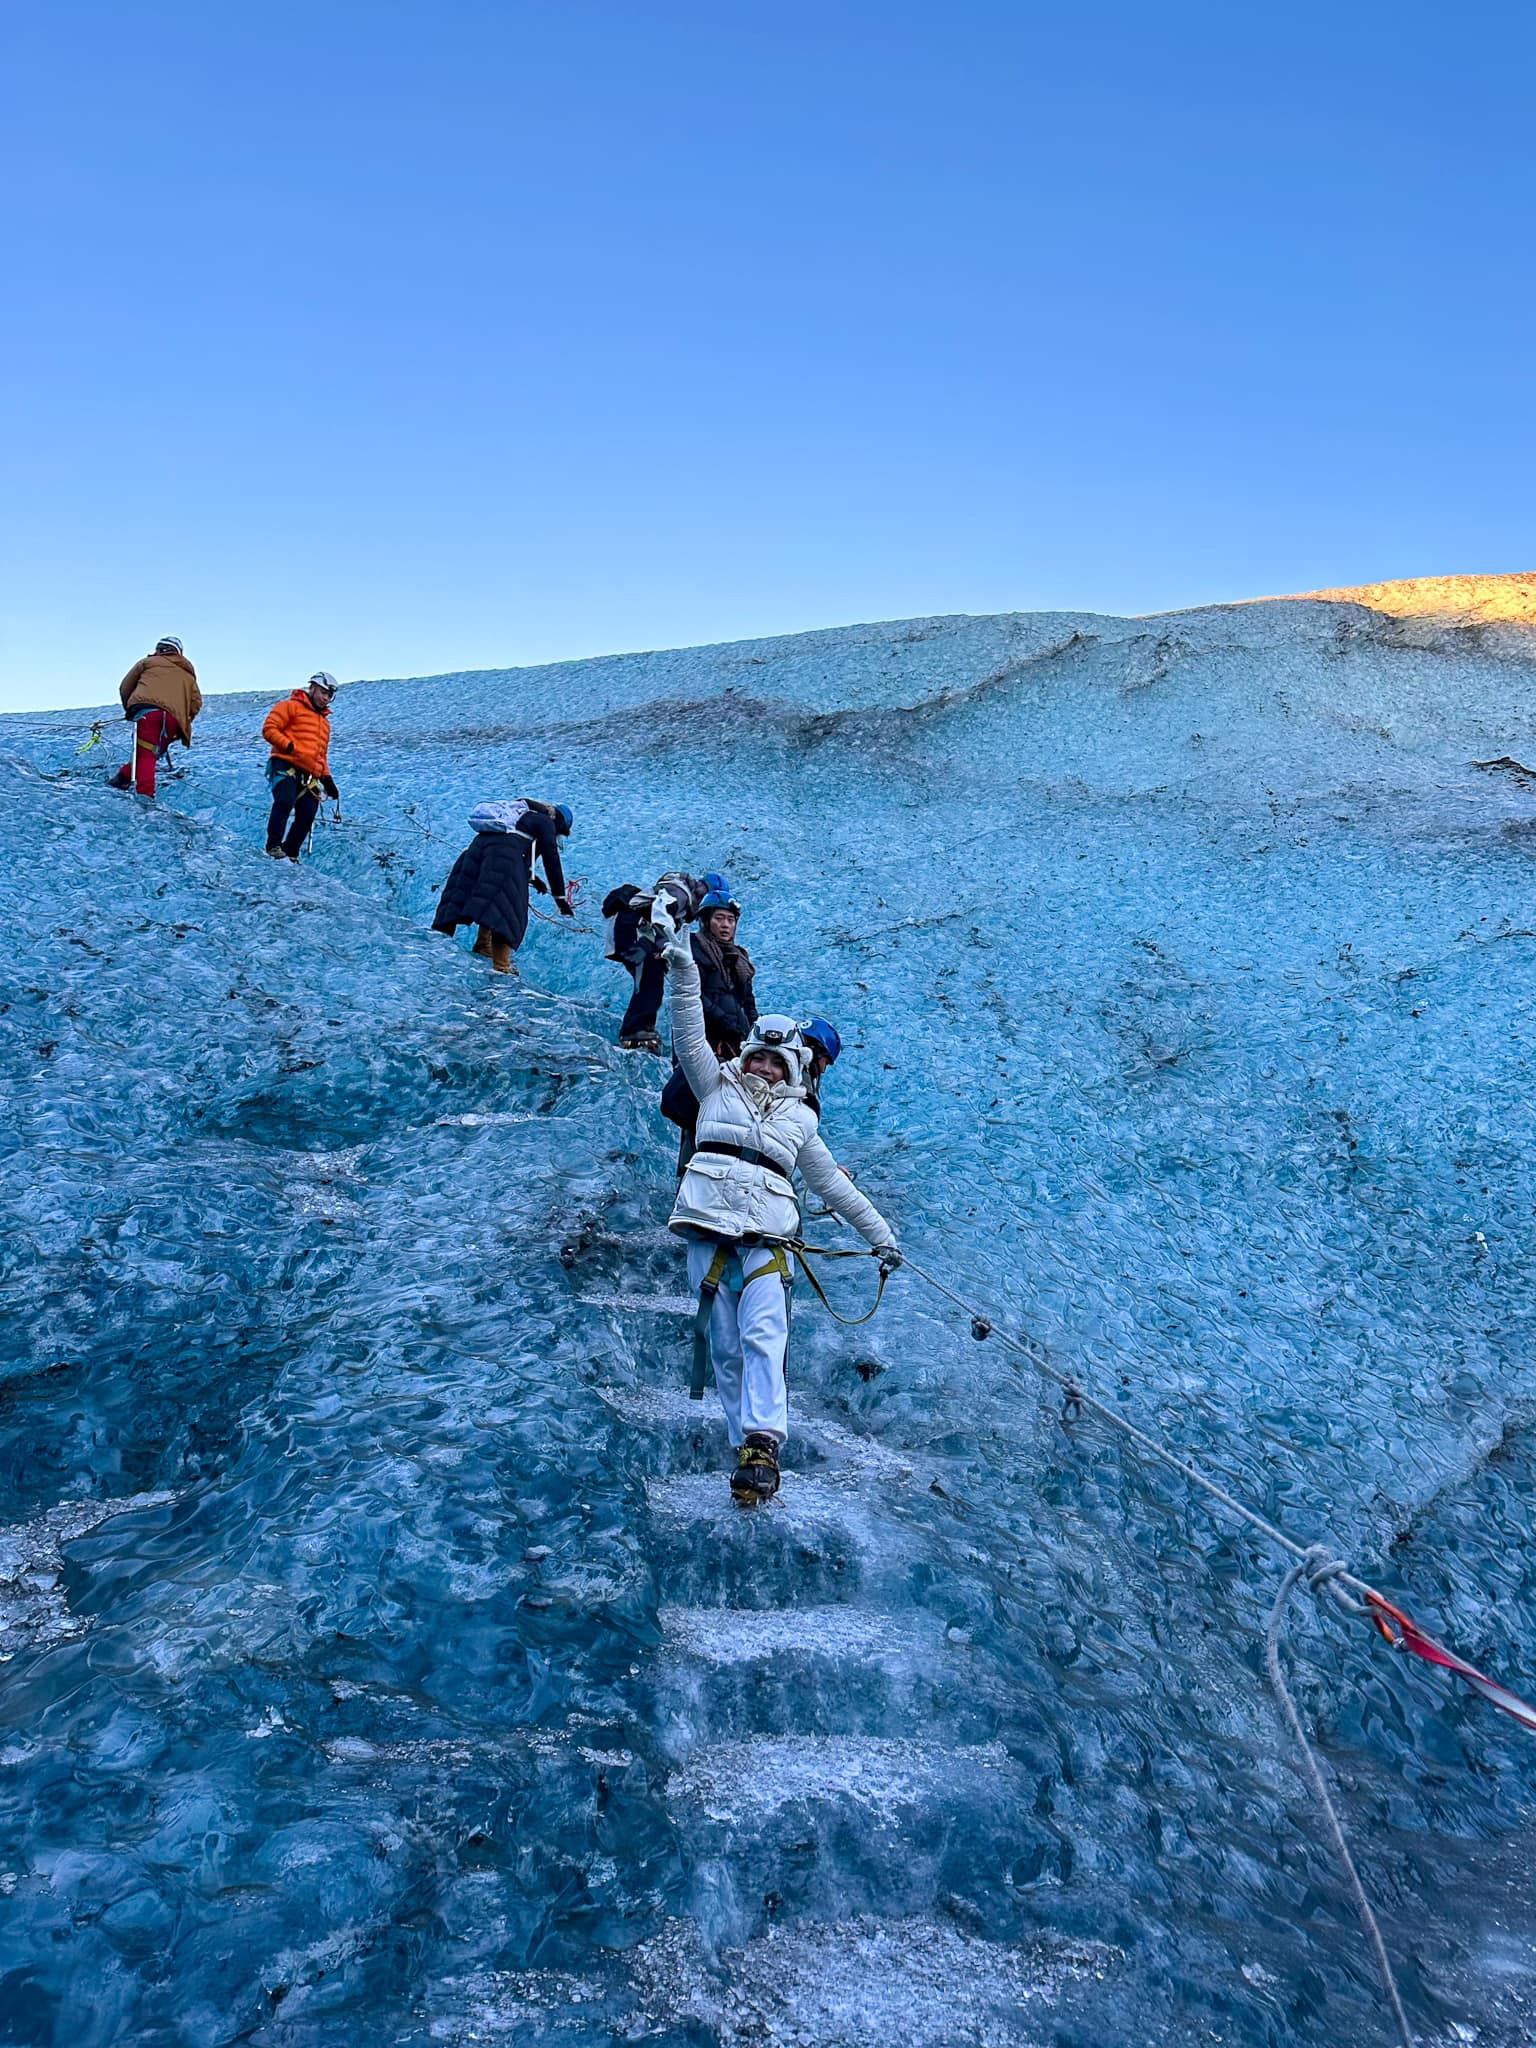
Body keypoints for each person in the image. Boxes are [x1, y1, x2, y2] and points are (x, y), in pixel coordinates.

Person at [660, 908, 899, 1505]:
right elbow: (688, 1028)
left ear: (791, 1069)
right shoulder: (714, 1086)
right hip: (709, 1230)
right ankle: (750, 1450)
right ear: (744, 1057)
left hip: (768, 1237)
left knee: (765, 1335)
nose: (764, 1067)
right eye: (758, 1057)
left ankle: (763, 1445)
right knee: (725, 1346)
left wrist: (881, 1235)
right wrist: (684, 967)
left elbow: (834, 1188)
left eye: (775, 1061)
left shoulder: (799, 1121)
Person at [658, 891, 759, 1158]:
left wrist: (752, 1031)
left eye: (730, 919)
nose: (726, 925)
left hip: (732, 1046)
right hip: (704, 1043)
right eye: (719, 919)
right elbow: (693, 996)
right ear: (706, 920)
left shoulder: (739, 959)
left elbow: (747, 1000)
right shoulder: (693, 949)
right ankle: (694, 1163)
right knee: (696, 1101)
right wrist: (728, 1023)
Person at [432, 799, 574, 972]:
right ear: (560, 823)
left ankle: (446, 945)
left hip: (476, 851)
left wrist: (533, 879)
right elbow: (551, 859)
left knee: (463, 896)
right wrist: (560, 898)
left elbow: (520, 851)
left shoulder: (520, 817)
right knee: (507, 907)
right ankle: (502, 966)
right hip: (503, 858)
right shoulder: (546, 822)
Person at [603, 870, 728, 1050]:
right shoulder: (681, 895)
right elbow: (661, 914)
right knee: (650, 977)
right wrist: (664, 948)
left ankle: (640, 1028)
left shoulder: (681, 896)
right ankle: (635, 1032)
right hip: (630, 930)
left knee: (652, 975)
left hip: (631, 930)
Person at [110, 637, 202, 797]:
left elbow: (125, 687)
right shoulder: (188, 675)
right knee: (150, 752)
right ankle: (122, 778)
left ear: (159, 649)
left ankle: (146, 798)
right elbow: (196, 703)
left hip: (146, 712)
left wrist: (131, 710)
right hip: (173, 720)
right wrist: (183, 722)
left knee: (146, 754)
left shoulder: (147, 663)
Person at [262, 673, 341, 860]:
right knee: (284, 801)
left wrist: (327, 779)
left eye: (329, 695)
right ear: (312, 688)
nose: (325, 698)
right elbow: (269, 728)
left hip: (309, 774)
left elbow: (320, 755)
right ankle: (273, 846)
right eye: (323, 692)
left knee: (308, 813)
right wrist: (288, 746)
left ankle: (290, 852)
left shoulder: (325, 723)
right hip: (284, 763)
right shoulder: (289, 707)